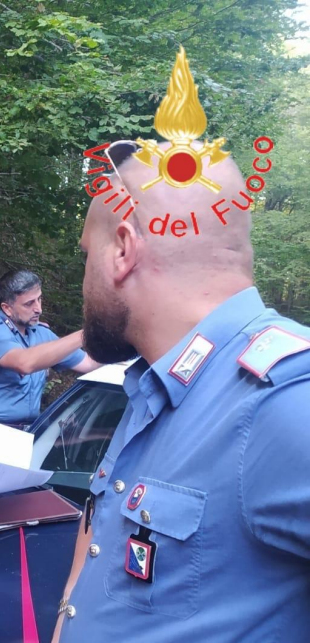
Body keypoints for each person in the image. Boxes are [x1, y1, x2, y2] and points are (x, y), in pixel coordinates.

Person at [57, 51, 310, 642]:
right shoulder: (157, 388)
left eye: (86, 254)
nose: (83, 275)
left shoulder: (282, 402)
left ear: (122, 250)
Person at [0, 270, 100, 428]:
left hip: (24, 431)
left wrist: (128, 350)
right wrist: (88, 332)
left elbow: (88, 363)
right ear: (7, 308)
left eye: (39, 299)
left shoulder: (41, 333)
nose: (38, 309)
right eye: (29, 303)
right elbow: (24, 363)